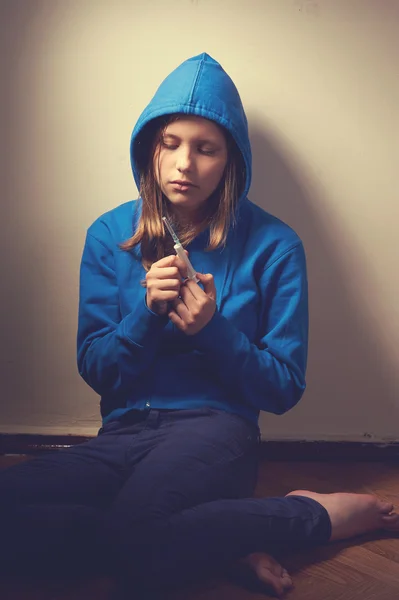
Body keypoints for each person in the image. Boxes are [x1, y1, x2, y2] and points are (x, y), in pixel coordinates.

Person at [1, 53, 398, 599]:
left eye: (205, 148)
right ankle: (223, 540)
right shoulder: (109, 233)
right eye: (171, 143)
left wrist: (213, 330)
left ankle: (309, 514)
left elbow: (282, 389)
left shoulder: (277, 246)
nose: (184, 163)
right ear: (151, 149)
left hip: (217, 431)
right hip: (123, 432)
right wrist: (145, 316)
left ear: (230, 160)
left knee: (133, 540)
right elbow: (98, 369)